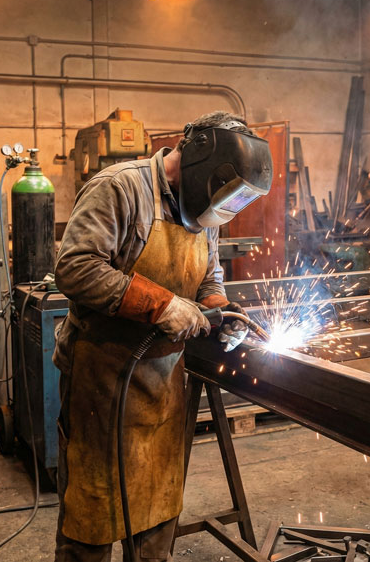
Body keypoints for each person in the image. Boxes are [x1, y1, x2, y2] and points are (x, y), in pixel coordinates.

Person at [53, 111, 273, 561]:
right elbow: (75, 268)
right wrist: (163, 305)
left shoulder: (206, 208)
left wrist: (219, 310)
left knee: (157, 511)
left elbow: (209, 277)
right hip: (101, 382)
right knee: (92, 520)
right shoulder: (120, 187)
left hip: (165, 384)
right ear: (200, 161)